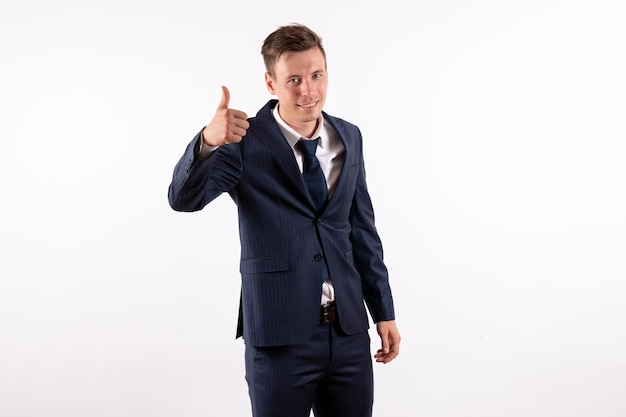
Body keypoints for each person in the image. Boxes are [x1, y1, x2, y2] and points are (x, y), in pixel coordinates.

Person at [168, 23, 400, 417]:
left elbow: (361, 230)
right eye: (294, 79)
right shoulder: (241, 141)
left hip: (347, 334)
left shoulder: (350, 137)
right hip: (278, 336)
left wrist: (384, 311)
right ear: (271, 83)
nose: (308, 90)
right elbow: (182, 199)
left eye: (316, 75)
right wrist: (207, 141)